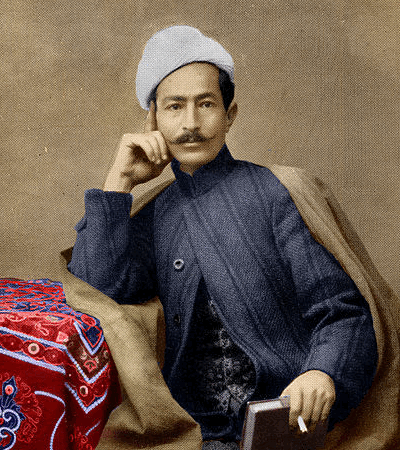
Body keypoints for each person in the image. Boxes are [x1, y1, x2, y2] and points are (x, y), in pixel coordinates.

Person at [68, 26, 378, 448]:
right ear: (153, 119)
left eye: (206, 104)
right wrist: (119, 180)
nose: (191, 124)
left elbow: (343, 314)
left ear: (230, 115)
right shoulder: (158, 211)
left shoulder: (276, 194)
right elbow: (97, 293)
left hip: (286, 428)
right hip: (190, 435)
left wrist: (322, 372)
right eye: (174, 107)